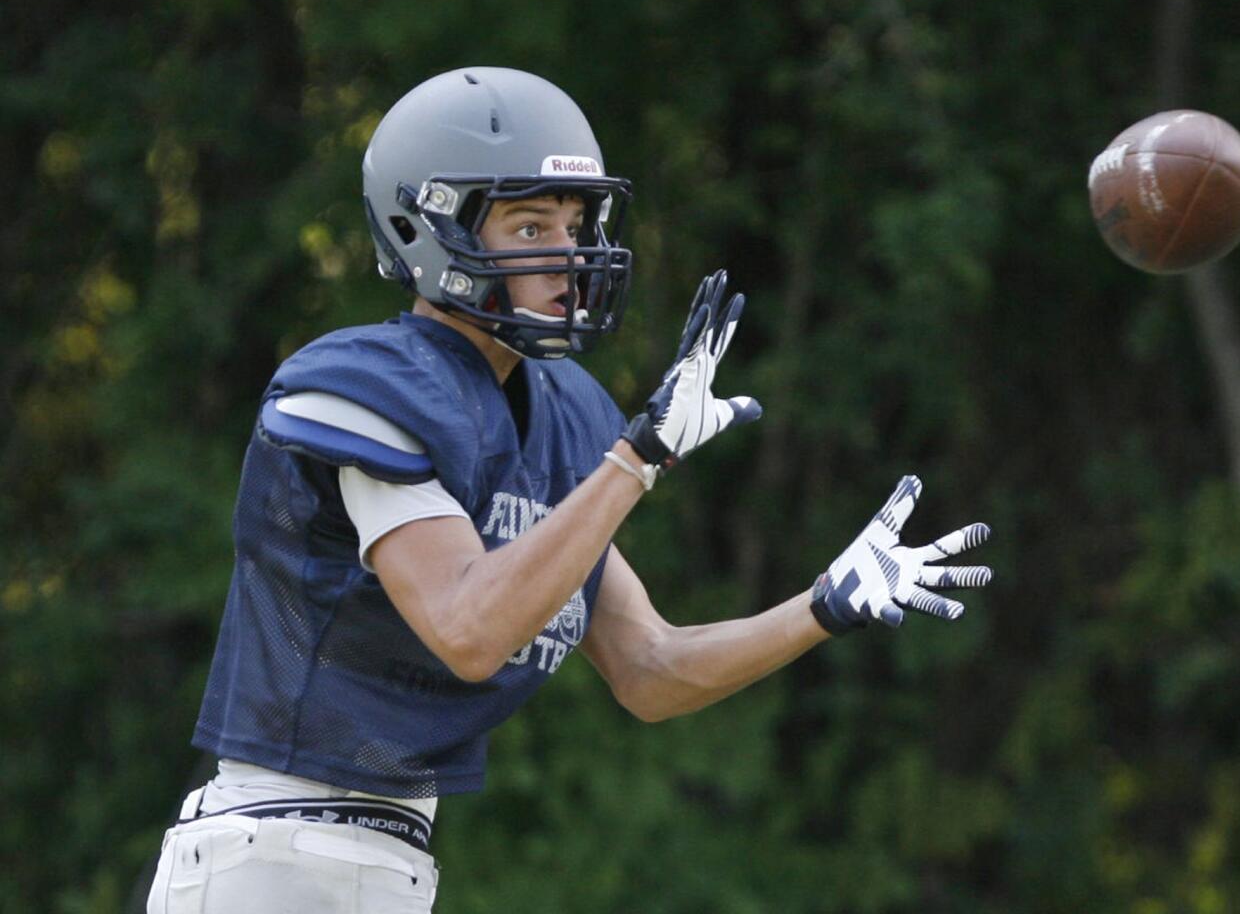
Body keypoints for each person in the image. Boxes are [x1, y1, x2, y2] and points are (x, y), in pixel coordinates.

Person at [145, 67, 994, 913]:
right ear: (425, 228)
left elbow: (650, 670)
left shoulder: (562, 415)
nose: (570, 253)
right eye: (528, 224)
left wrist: (819, 607)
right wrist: (637, 462)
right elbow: (468, 629)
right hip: (273, 856)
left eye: (578, 222)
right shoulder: (366, 383)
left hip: (377, 863)